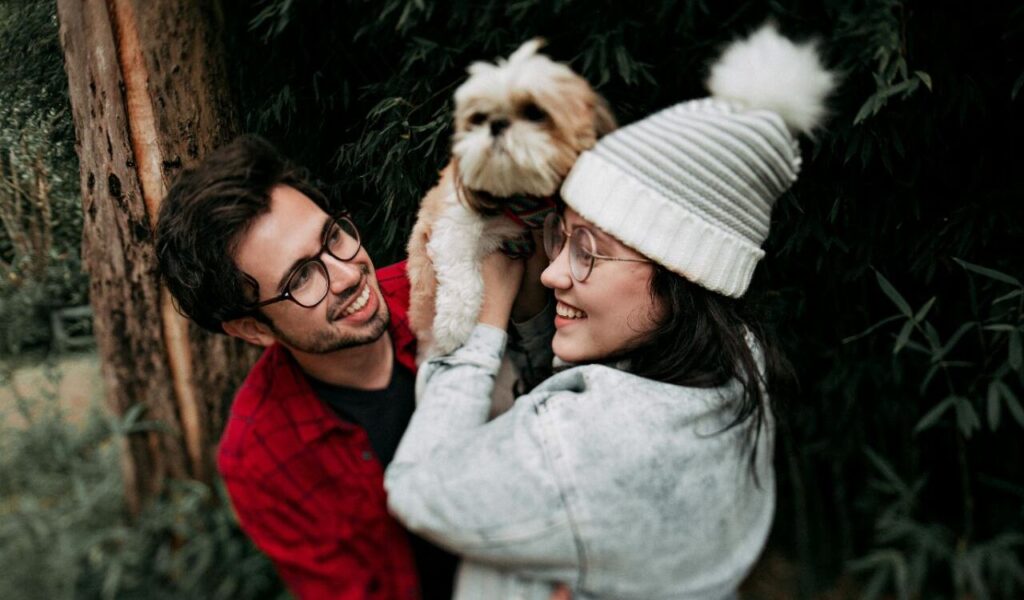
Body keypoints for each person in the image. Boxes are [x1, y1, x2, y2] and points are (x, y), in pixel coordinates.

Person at [385, 24, 832, 599]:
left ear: (682, 280)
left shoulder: (578, 450)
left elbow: (419, 488)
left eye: (589, 250)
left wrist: (484, 324)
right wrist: (531, 321)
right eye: (560, 236)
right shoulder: (733, 358)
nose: (551, 273)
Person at [155, 135, 460, 599]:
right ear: (252, 329)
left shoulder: (441, 287)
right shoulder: (260, 458)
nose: (347, 273)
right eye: (301, 278)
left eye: (332, 236)